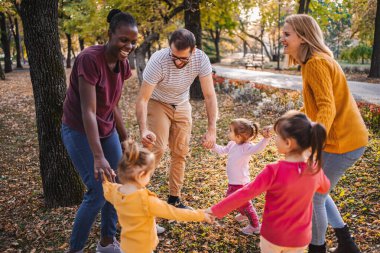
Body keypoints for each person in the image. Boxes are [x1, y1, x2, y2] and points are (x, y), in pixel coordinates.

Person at [281, 14, 368, 253]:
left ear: (303, 36)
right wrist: (286, 122)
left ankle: (317, 248)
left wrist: (314, 146)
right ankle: (347, 243)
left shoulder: (316, 63)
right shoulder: (313, 62)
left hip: (343, 143)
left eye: (287, 34)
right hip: (344, 140)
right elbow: (316, 106)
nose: (283, 39)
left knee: (314, 197)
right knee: (320, 190)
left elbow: (327, 108)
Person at [61, 9, 138, 253]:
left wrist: (125, 138)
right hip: (78, 129)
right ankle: (74, 250)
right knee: (97, 192)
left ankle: (106, 242)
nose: (128, 45)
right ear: (110, 35)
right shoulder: (89, 59)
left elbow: (112, 103)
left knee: (117, 183)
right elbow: (88, 112)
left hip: (106, 127)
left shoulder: (123, 63)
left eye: (133, 41)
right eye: (123, 39)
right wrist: (97, 155)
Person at [207, 111, 331, 253]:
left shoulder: (273, 171)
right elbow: (324, 188)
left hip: (273, 237)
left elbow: (245, 193)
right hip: (300, 238)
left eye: (277, 136)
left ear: (288, 143)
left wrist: (214, 211)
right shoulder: (315, 169)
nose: (274, 139)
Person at [135, 28, 218, 212]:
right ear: (169, 48)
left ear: (193, 51)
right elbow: (142, 99)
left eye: (183, 59)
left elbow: (210, 96)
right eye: (174, 57)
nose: (178, 62)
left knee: (180, 151)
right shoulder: (158, 61)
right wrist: (143, 130)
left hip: (181, 103)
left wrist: (212, 129)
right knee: (157, 148)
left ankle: (174, 198)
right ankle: (136, 196)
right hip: (157, 102)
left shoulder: (201, 59)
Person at [102, 140, 214, 253]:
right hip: (143, 249)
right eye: (149, 174)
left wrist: (105, 179)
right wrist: (201, 215)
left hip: (125, 247)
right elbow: (174, 212)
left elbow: (107, 189)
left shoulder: (116, 192)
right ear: (141, 175)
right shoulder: (146, 201)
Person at [207, 118, 271, 235]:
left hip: (241, 183)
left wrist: (265, 139)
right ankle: (243, 214)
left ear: (240, 136)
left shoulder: (246, 147)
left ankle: (255, 226)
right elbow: (222, 150)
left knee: (242, 202)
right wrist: (212, 146)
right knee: (232, 198)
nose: (228, 132)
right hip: (233, 182)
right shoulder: (232, 144)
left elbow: (257, 149)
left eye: (230, 130)